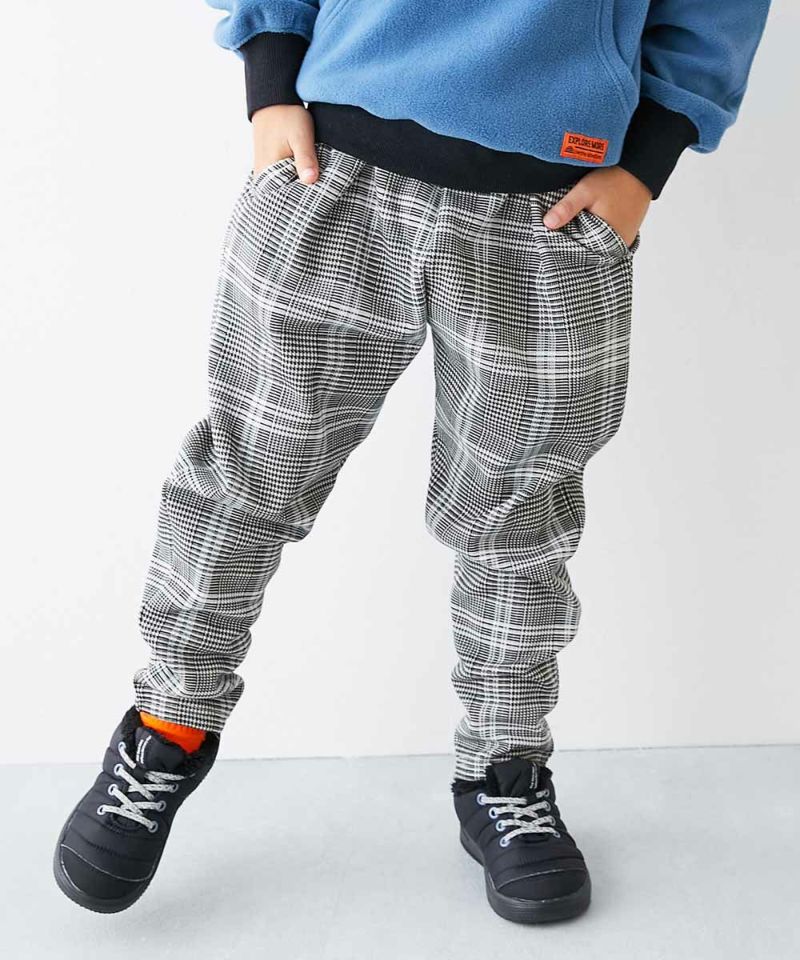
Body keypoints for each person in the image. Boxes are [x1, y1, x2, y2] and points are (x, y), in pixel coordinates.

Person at [53, 0, 771, 922]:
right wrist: (269, 77)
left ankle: (505, 771)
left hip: (552, 209)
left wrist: (648, 161)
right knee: (244, 479)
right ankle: (165, 732)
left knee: (518, 517)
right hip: (332, 172)